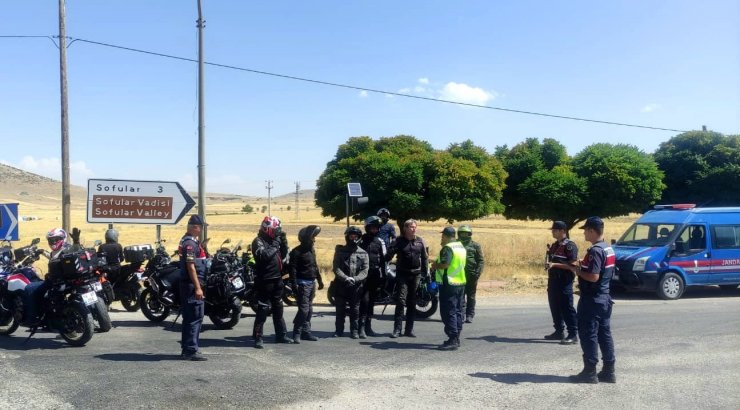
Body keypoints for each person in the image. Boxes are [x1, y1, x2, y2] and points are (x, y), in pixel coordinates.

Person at [569, 216, 617, 383]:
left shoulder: (595, 251)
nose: (584, 234)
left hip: (592, 299)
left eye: (585, 231)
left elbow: (594, 276)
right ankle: (609, 371)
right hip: (604, 298)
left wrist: (578, 271)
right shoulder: (608, 249)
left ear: (591, 230)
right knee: (604, 334)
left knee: (588, 334)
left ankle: (589, 372)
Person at [22, 227, 82, 326]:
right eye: (51, 240)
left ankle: (32, 318)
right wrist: (42, 252)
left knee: (29, 288)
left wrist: (76, 241)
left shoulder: (67, 249)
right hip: (62, 281)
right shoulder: (57, 251)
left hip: (56, 281)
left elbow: (75, 249)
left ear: (63, 238)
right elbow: (52, 257)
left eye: (56, 239)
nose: (53, 242)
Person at [252, 216, 294, 348]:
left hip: (277, 279)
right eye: (276, 230)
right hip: (265, 280)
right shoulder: (258, 241)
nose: (277, 232)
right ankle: (258, 337)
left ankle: (281, 335)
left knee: (278, 308)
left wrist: (284, 243)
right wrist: (275, 245)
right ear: (268, 229)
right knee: (263, 309)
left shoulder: (274, 241)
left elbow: (283, 256)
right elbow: (263, 257)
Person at [387, 219, 428, 338]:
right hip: (402, 274)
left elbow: (424, 258)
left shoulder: (420, 241)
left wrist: (425, 274)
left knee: (412, 302)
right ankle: (397, 329)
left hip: (416, 274)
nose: (414, 229)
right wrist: (391, 250)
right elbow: (388, 256)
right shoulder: (399, 241)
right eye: (411, 227)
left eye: (415, 227)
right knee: (401, 301)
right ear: (405, 228)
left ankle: (409, 330)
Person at [178, 215, 209, 361]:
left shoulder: (191, 241)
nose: (202, 230)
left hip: (189, 285)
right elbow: (191, 266)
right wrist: (198, 288)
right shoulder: (189, 243)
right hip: (191, 286)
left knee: (190, 317)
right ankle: (190, 350)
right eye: (201, 227)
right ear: (195, 227)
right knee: (195, 317)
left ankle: (188, 348)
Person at [432, 227, 467, 351]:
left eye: (443, 236)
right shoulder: (460, 247)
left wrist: (435, 265)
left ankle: (452, 338)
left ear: (446, 236)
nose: (441, 238)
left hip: (449, 283)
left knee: (449, 311)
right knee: (458, 310)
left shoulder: (448, 248)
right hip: (460, 282)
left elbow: (445, 264)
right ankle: (456, 337)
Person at [545, 221, 579, 345]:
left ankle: (573, 334)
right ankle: (559, 331)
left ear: (563, 231)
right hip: (553, 280)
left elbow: (573, 265)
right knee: (554, 305)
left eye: (555, 230)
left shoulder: (570, 246)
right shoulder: (555, 245)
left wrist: (555, 264)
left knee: (567, 307)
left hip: (564, 281)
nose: (552, 232)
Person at [289, 225, 324, 343]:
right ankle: (296, 333)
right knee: (303, 310)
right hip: (302, 284)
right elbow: (292, 270)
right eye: (313, 237)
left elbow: (314, 266)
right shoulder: (296, 252)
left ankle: (306, 332)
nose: (314, 240)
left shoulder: (311, 250)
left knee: (309, 310)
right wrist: (294, 286)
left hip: (311, 282)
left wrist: (319, 280)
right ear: (306, 239)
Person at [332, 226, 369, 339]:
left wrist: (355, 279)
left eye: (355, 236)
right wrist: (345, 278)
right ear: (347, 237)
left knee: (355, 309)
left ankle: (354, 331)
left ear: (358, 237)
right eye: (351, 236)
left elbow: (365, 270)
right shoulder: (340, 250)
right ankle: (339, 331)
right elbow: (336, 267)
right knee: (340, 309)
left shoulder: (363, 253)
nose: (353, 238)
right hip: (341, 284)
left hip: (356, 285)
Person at [358, 216, 387, 337]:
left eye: (377, 228)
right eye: (373, 227)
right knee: (364, 301)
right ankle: (360, 328)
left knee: (371, 302)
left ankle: (368, 327)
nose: (375, 230)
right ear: (367, 227)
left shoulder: (380, 241)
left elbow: (384, 260)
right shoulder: (360, 240)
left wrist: (384, 276)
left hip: (375, 275)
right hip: (362, 275)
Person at [457, 225, 484, 323]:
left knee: (471, 296)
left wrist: (478, 272)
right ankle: (462, 314)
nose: (464, 235)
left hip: (472, 275)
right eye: (462, 233)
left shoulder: (475, 245)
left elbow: (481, 261)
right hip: (459, 275)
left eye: (466, 233)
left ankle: (470, 315)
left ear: (469, 234)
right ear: (459, 234)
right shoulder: (455, 244)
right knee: (460, 296)